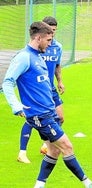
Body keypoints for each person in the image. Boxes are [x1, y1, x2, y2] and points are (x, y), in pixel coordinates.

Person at [2, 21, 92, 188]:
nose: (50, 44)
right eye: (48, 40)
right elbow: (8, 82)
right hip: (40, 115)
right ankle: (88, 184)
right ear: (38, 38)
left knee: (54, 150)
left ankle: (39, 185)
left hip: (49, 112)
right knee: (67, 146)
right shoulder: (24, 57)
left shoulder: (37, 56)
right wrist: (16, 106)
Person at [17, 16, 65, 164]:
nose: (53, 33)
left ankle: (46, 144)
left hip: (50, 88)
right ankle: (22, 152)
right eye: (50, 30)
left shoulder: (57, 47)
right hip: (37, 91)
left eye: (55, 30)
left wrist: (60, 81)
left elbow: (57, 65)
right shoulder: (35, 49)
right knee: (33, 118)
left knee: (60, 117)